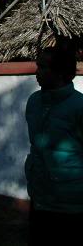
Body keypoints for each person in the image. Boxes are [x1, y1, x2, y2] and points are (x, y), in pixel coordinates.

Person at [25, 36, 83, 244]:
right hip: (40, 197)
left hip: (72, 204)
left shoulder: (78, 106)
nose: (36, 72)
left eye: (42, 67)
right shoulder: (34, 102)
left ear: (59, 72)